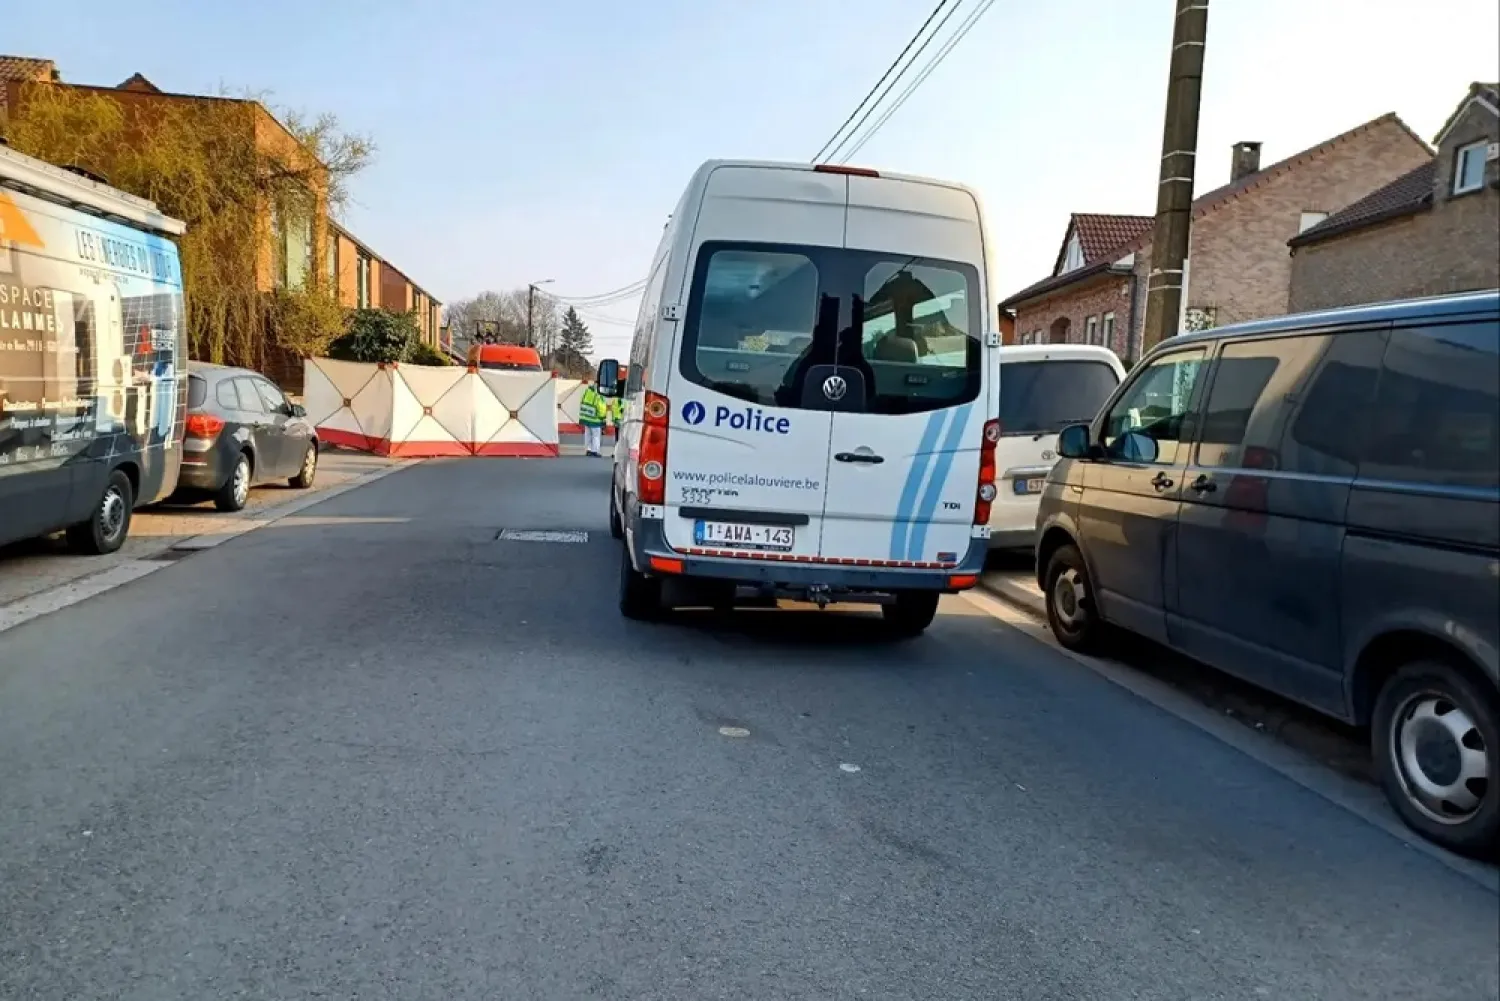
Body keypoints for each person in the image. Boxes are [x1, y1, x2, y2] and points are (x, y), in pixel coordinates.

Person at [578, 377, 609, 457]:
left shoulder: (588, 390)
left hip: (586, 417)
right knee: (596, 435)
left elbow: (582, 401)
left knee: (587, 434)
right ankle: (595, 451)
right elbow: (601, 407)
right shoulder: (599, 393)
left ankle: (588, 449)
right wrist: (603, 418)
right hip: (595, 418)